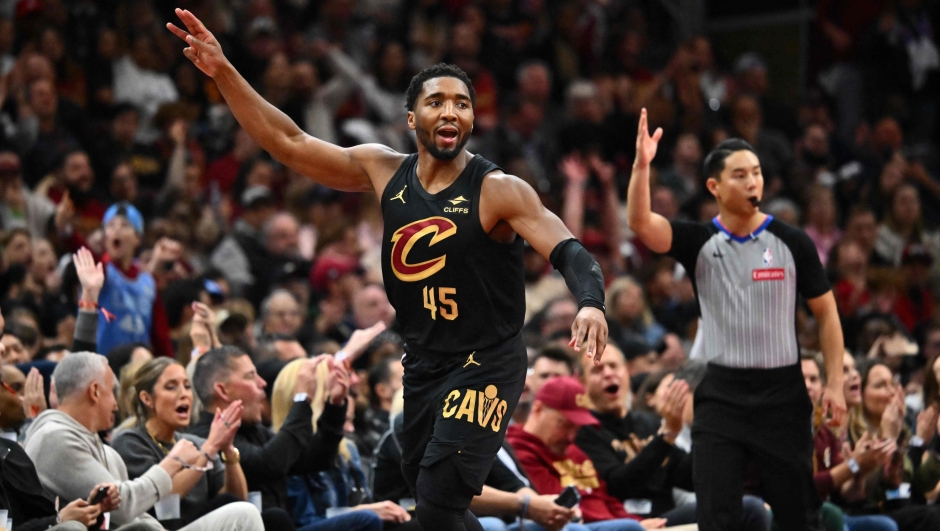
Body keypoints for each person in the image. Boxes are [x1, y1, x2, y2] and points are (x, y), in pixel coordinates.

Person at [168, 9, 608, 531]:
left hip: (487, 360)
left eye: (462, 104)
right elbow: (287, 142)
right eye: (436, 101)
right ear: (411, 119)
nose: (451, 111)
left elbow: (570, 251)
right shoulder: (381, 169)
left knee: (440, 496)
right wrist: (224, 73)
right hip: (423, 361)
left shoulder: (498, 190)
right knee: (431, 496)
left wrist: (590, 302)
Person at [626, 109, 847, 531]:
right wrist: (642, 166)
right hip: (720, 395)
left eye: (757, 173)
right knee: (717, 516)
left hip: (782, 395)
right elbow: (640, 223)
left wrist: (834, 383)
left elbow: (827, 313)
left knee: (798, 515)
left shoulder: (792, 241)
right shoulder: (699, 241)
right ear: (714, 186)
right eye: (740, 175)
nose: (753, 183)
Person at [23, 352, 264, 531]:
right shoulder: (55, 437)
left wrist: (227, 450)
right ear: (95, 391)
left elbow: (233, 495)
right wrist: (174, 462)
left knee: (244, 512)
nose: (117, 405)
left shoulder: (103, 448)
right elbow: (125, 508)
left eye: (187, 386)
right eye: (111, 392)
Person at [575, 344, 770, 529]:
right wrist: (666, 435)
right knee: (749, 509)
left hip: (667, 518)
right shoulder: (583, 431)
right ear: (581, 381)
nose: (608, 373)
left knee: (752, 506)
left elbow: (690, 477)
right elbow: (619, 486)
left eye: (613, 366)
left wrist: (717, 428)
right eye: (597, 370)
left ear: (626, 372)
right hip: (628, 523)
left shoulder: (646, 423)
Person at [505, 376, 663, 530]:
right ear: (538, 409)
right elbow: (561, 507)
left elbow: (605, 499)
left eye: (577, 428)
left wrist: (639, 522)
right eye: (565, 425)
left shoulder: (574, 452)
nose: (571, 436)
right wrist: (632, 525)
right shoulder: (518, 449)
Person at [112, 357, 248, 528]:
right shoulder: (131, 442)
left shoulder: (196, 443)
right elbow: (164, 497)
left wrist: (228, 449)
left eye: (187, 386)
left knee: (269, 516)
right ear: (147, 399)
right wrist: (211, 447)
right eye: (171, 387)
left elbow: (238, 498)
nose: (183, 394)